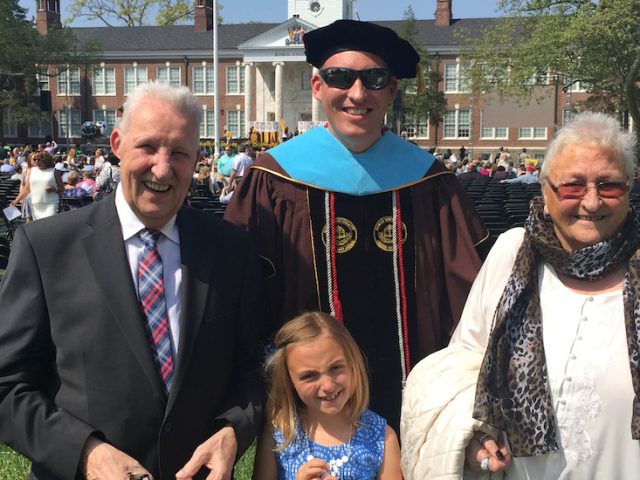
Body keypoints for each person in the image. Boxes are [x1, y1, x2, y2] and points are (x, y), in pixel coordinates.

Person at [225, 19, 488, 432]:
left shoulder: (428, 180)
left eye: (375, 79)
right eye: (340, 78)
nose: (357, 94)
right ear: (318, 88)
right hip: (309, 402)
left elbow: (466, 293)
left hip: (412, 396)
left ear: (392, 90)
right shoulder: (276, 177)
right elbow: (244, 292)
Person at [0, 82, 264, 480]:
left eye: (178, 152)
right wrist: (84, 452)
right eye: (148, 147)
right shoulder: (46, 248)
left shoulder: (230, 250)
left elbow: (254, 369)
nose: (162, 168)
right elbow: (7, 387)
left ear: (196, 159)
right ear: (118, 144)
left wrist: (233, 430)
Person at [400, 112, 640, 478]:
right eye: (573, 186)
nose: (591, 203)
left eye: (608, 185)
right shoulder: (512, 254)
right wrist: (472, 436)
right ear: (545, 191)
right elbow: (462, 364)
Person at [253, 311, 402, 480]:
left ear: (353, 364)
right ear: (289, 381)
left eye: (336, 368)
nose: (328, 386)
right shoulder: (280, 433)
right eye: (309, 376)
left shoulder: (382, 437)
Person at [29, 150, 62, 220]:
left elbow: (62, 188)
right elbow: (26, 188)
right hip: (36, 205)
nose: (36, 161)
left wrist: (54, 189)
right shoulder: (32, 170)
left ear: (45, 160)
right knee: (37, 227)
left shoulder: (54, 171)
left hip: (50, 204)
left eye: (39, 159)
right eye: (35, 159)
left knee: (49, 226)